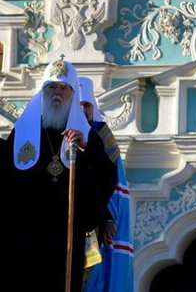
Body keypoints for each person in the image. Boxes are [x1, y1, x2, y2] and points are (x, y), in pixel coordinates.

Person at [0, 58, 116, 292]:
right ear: (42, 92)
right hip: (22, 238)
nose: (57, 93)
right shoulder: (23, 132)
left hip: (64, 239)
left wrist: (87, 149)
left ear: (72, 95)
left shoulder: (86, 137)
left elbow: (105, 178)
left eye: (63, 88)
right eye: (51, 87)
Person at [80, 77, 135, 292]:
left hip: (95, 219)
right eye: (78, 105)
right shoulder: (56, 135)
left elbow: (109, 180)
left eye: (87, 105)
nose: (83, 110)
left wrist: (109, 217)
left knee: (95, 273)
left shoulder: (102, 136)